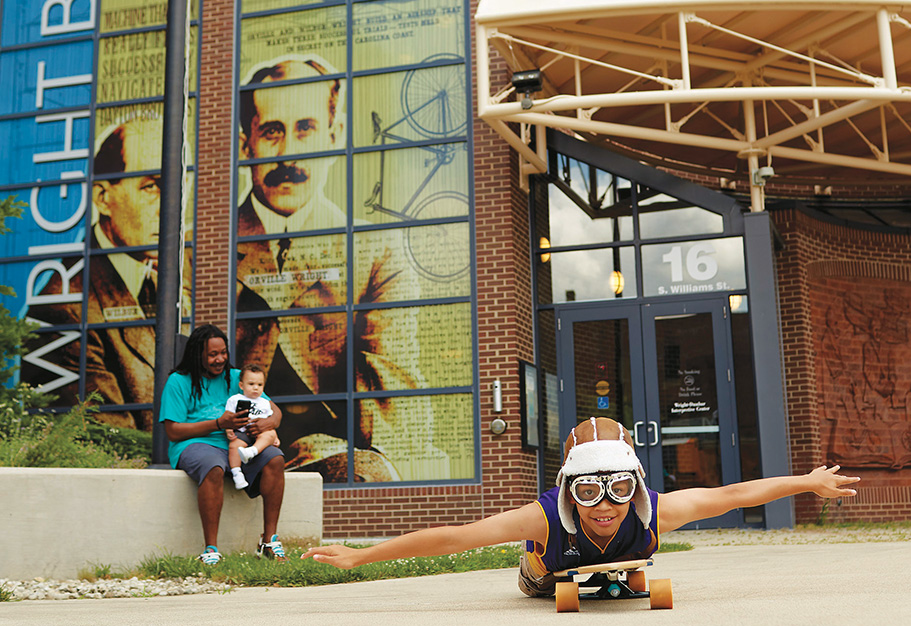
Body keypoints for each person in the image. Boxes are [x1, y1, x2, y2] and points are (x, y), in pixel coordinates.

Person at [302, 417, 860, 596]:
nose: (604, 505)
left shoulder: (651, 510)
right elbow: (455, 536)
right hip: (552, 568)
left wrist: (807, 482)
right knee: (543, 570)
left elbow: (732, 495)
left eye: (617, 490)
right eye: (588, 492)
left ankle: (622, 571)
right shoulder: (544, 518)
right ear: (569, 491)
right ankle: (555, 572)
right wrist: (361, 556)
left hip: (619, 557)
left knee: (633, 564)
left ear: (635, 487)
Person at [234, 56, 425, 481]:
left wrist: (373, 470)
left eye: (306, 129)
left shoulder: (376, 253)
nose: (289, 153)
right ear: (247, 144)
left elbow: (389, 392)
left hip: (339, 462)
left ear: (335, 136)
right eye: (272, 132)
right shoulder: (202, 257)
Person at [23, 115, 192, 430]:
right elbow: (108, 436)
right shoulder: (67, 306)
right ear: (103, 198)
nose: (172, 206)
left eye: (180, 187)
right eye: (152, 187)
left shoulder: (177, 275)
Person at [160, 324, 287, 565]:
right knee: (213, 466)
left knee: (275, 458)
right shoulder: (178, 382)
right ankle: (211, 550)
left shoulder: (238, 378)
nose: (220, 359)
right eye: (212, 354)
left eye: (223, 352)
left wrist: (265, 424)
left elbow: (276, 411)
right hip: (195, 444)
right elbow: (172, 430)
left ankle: (269, 541)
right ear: (198, 354)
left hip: (239, 443)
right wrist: (219, 423)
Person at [223, 364, 280, 490]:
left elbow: (269, 421)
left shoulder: (265, 403)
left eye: (260, 385)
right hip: (242, 432)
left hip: (259, 435)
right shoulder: (235, 399)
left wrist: (274, 436)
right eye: (251, 384)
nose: (256, 388)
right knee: (234, 446)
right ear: (241, 386)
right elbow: (228, 417)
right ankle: (237, 473)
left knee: (269, 435)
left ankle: (252, 451)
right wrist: (228, 430)